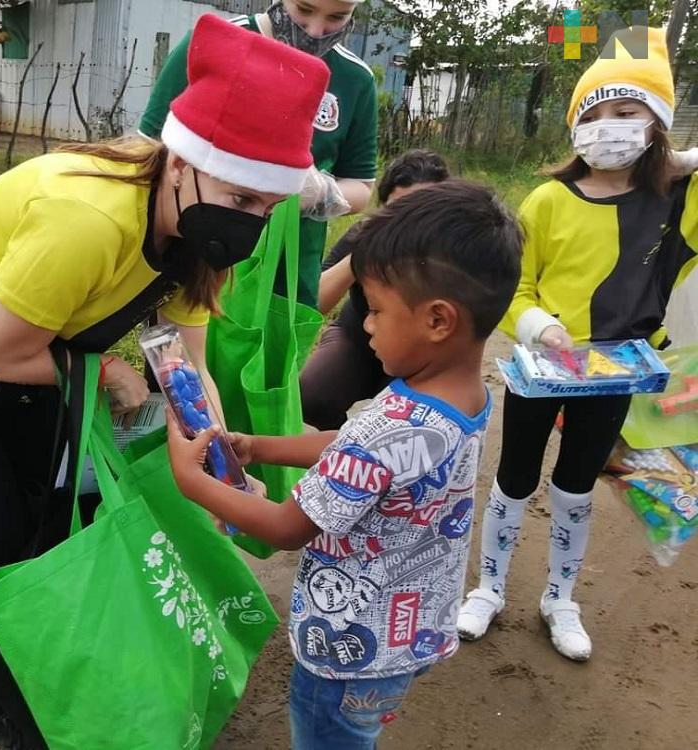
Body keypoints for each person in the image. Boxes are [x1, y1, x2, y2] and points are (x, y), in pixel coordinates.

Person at [0, 14, 329, 750]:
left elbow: (189, 364)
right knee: (11, 568)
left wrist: (221, 457)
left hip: (36, 366)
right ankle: (5, 725)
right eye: (240, 198)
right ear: (180, 160)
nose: (249, 221)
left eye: (267, 206)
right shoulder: (89, 217)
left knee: (62, 541)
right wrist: (114, 372)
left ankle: (27, 711)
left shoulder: (202, 231)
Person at [168, 179, 523, 750]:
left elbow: (286, 526)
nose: (365, 325)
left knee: (329, 738)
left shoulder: (392, 423)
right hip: (412, 636)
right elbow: (353, 443)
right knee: (357, 732)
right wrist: (261, 446)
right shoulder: (460, 399)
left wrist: (190, 481)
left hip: (347, 652)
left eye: (376, 310)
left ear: (438, 320)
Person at [456, 27, 698, 662]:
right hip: (544, 369)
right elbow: (513, 288)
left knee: (575, 486)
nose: (609, 127)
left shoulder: (675, 204)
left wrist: (684, 163)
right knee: (512, 478)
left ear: (657, 123)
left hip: (619, 375)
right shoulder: (545, 199)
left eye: (627, 112)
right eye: (594, 115)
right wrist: (543, 329)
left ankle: (561, 598)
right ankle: (489, 588)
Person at [140, 0, 378, 307]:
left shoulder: (355, 79)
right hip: (199, 249)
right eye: (304, 10)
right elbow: (150, 148)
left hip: (289, 266)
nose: (316, 30)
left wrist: (317, 192)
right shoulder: (213, 43)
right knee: (183, 348)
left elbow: (361, 188)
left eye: (337, 17)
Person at [301, 149, 450, 429]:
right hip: (358, 336)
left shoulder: (457, 248)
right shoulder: (365, 234)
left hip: (422, 352)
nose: (412, 224)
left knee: (404, 421)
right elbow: (314, 302)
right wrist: (359, 257)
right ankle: (339, 451)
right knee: (312, 395)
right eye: (400, 212)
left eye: (426, 211)